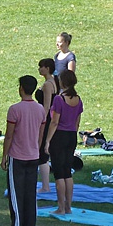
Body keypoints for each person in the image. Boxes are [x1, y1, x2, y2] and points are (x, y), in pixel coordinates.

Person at [1, 75, 46, 226]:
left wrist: (4, 156)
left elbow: (9, 135)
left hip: (17, 156)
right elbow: (40, 135)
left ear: (21, 88)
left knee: (16, 193)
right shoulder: (40, 109)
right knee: (30, 193)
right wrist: (35, 149)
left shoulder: (15, 109)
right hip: (33, 155)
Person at [43, 70, 83, 215]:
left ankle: (61, 207)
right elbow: (77, 122)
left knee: (59, 174)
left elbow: (54, 122)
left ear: (62, 82)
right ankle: (68, 207)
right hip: (71, 136)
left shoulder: (59, 99)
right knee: (67, 172)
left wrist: (47, 141)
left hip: (59, 136)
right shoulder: (78, 99)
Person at [36, 58, 60, 192]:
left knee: (42, 153)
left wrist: (41, 122)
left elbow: (46, 106)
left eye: (41, 67)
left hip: (46, 120)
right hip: (52, 118)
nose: (39, 69)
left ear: (48, 68)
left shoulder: (47, 85)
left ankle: (45, 186)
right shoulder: (55, 81)